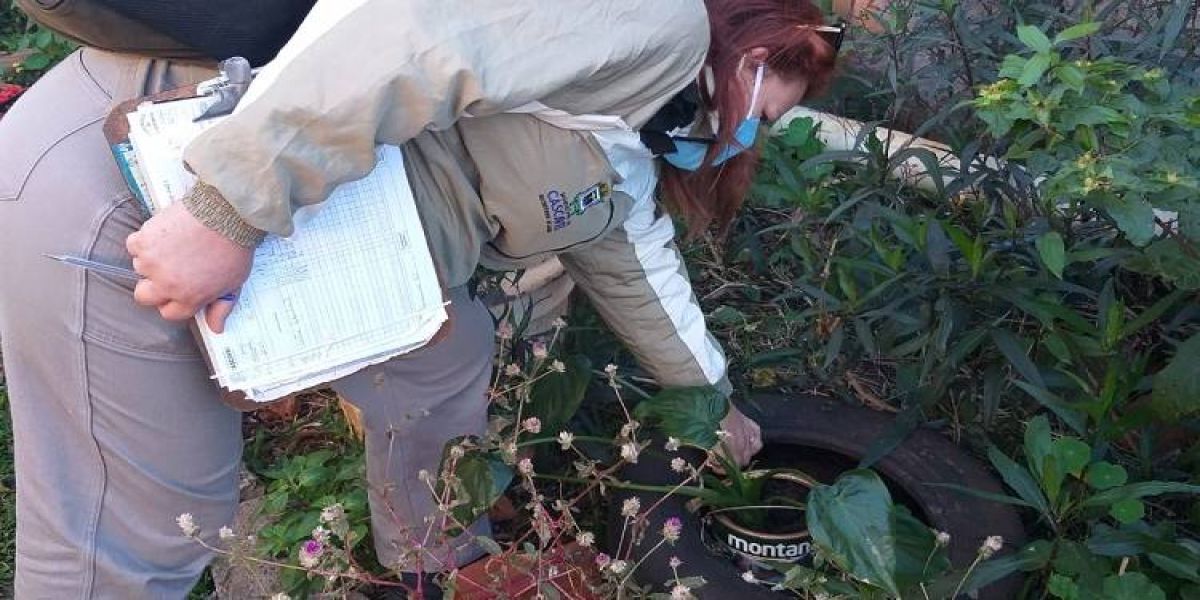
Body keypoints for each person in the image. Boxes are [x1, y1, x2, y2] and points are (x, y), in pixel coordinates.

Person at [0, 0, 840, 597]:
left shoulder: (622, 131)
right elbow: (415, 36)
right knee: (152, 523)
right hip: (146, 184)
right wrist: (227, 211)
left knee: (450, 350)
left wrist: (709, 396)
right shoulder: (658, 19)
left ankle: (429, 562)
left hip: (295, 219)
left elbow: (635, 265)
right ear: (751, 51)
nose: (744, 136)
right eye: (760, 111)